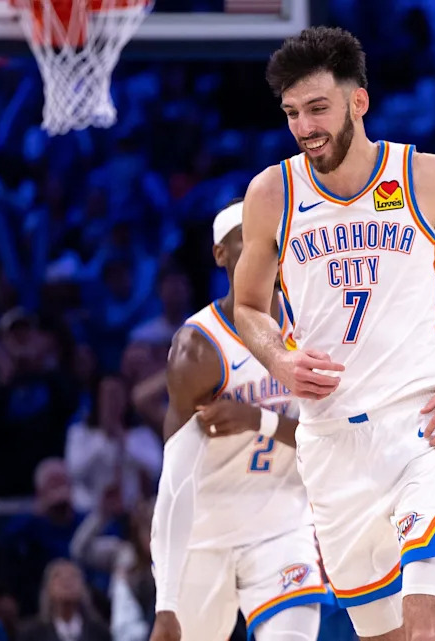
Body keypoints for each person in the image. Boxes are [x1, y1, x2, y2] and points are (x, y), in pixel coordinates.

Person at [233, 26, 435, 641]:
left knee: (428, 607)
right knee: (385, 634)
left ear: (358, 102)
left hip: (423, 426)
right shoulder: (273, 193)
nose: (304, 126)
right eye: (292, 113)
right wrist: (279, 359)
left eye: (318, 108)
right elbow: (247, 307)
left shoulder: (426, 177)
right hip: (329, 441)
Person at [149, 202, 329, 641]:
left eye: (272, 242)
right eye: (247, 242)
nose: (262, 253)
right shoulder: (198, 348)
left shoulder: (316, 328)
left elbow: (332, 440)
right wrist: (166, 602)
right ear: (221, 254)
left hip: (283, 526)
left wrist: (258, 420)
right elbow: (176, 480)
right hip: (203, 535)